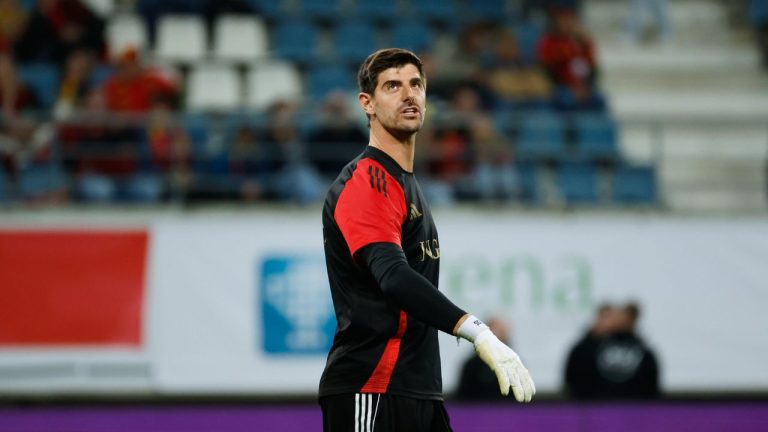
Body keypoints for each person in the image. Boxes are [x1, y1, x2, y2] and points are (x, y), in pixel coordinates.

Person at [318, 48, 535, 432]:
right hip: (373, 387)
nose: (408, 94)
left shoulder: (406, 183)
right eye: (392, 86)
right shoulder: (368, 180)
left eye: (415, 84)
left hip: (417, 388)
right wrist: (477, 331)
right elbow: (393, 277)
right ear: (366, 104)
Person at [564, 301, 660, 400]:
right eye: (605, 317)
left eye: (614, 317)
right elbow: (572, 380)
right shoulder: (585, 349)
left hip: (633, 409)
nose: (611, 322)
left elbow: (651, 386)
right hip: (592, 408)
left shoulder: (641, 351)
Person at [455, 317, 515, 401]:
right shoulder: (471, 366)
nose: (498, 338)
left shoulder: (514, 365)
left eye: (501, 333)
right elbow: (462, 400)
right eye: (494, 333)